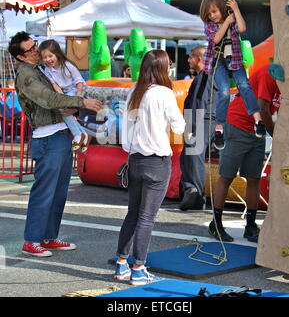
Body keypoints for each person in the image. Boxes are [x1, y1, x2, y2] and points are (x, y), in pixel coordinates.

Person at [8, 31, 101, 257]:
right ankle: (32, 240)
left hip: (59, 134)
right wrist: (82, 102)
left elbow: (57, 97)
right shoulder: (27, 75)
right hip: (48, 137)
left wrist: (75, 106)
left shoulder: (39, 69)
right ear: (20, 57)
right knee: (45, 192)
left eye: (35, 46)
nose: (36, 51)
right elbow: (48, 99)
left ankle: (48, 237)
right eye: (30, 50)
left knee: (58, 192)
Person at [114, 49, 185, 285]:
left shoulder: (134, 90)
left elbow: (125, 127)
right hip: (157, 160)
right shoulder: (164, 93)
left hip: (134, 159)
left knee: (133, 213)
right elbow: (178, 127)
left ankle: (122, 264)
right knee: (147, 217)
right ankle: (139, 268)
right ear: (163, 69)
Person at [208, 65, 281, 243]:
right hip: (237, 124)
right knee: (227, 176)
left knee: (254, 178)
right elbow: (262, 108)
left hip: (257, 130)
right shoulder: (269, 73)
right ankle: (216, 223)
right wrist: (277, 136)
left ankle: (250, 225)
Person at [200, 0, 266, 150]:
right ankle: (219, 130)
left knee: (244, 86)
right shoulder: (210, 26)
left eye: (214, 11)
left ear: (222, 9)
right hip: (218, 63)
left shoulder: (232, 19)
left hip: (235, 60)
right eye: (209, 14)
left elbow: (242, 28)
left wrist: (235, 10)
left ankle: (258, 120)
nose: (212, 16)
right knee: (223, 92)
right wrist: (227, 22)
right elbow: (216, 38)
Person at [179, 46, 216, 211]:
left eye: (191, 57)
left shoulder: (204, 77)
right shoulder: (212, 75)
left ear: (199, 59)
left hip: (202, 120)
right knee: (190, 155)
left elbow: (197, 103)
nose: (188, 60)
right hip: (209, 119)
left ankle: (195, 193)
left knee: (193, 155)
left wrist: (191, 126)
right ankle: (193, 191)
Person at [39, 39, 91, 152]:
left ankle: (77, 134)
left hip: (76, 90)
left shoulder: (68, 65)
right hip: (65, 92)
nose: (48, 59)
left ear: (57, 53)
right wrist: (62, 99)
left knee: (65, 110)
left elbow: (79, 82)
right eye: (45, 57)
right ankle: (83, 134)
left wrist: (78, 98)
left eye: (50, 56)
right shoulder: (47, 70)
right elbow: (55, 85)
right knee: (63, 110)